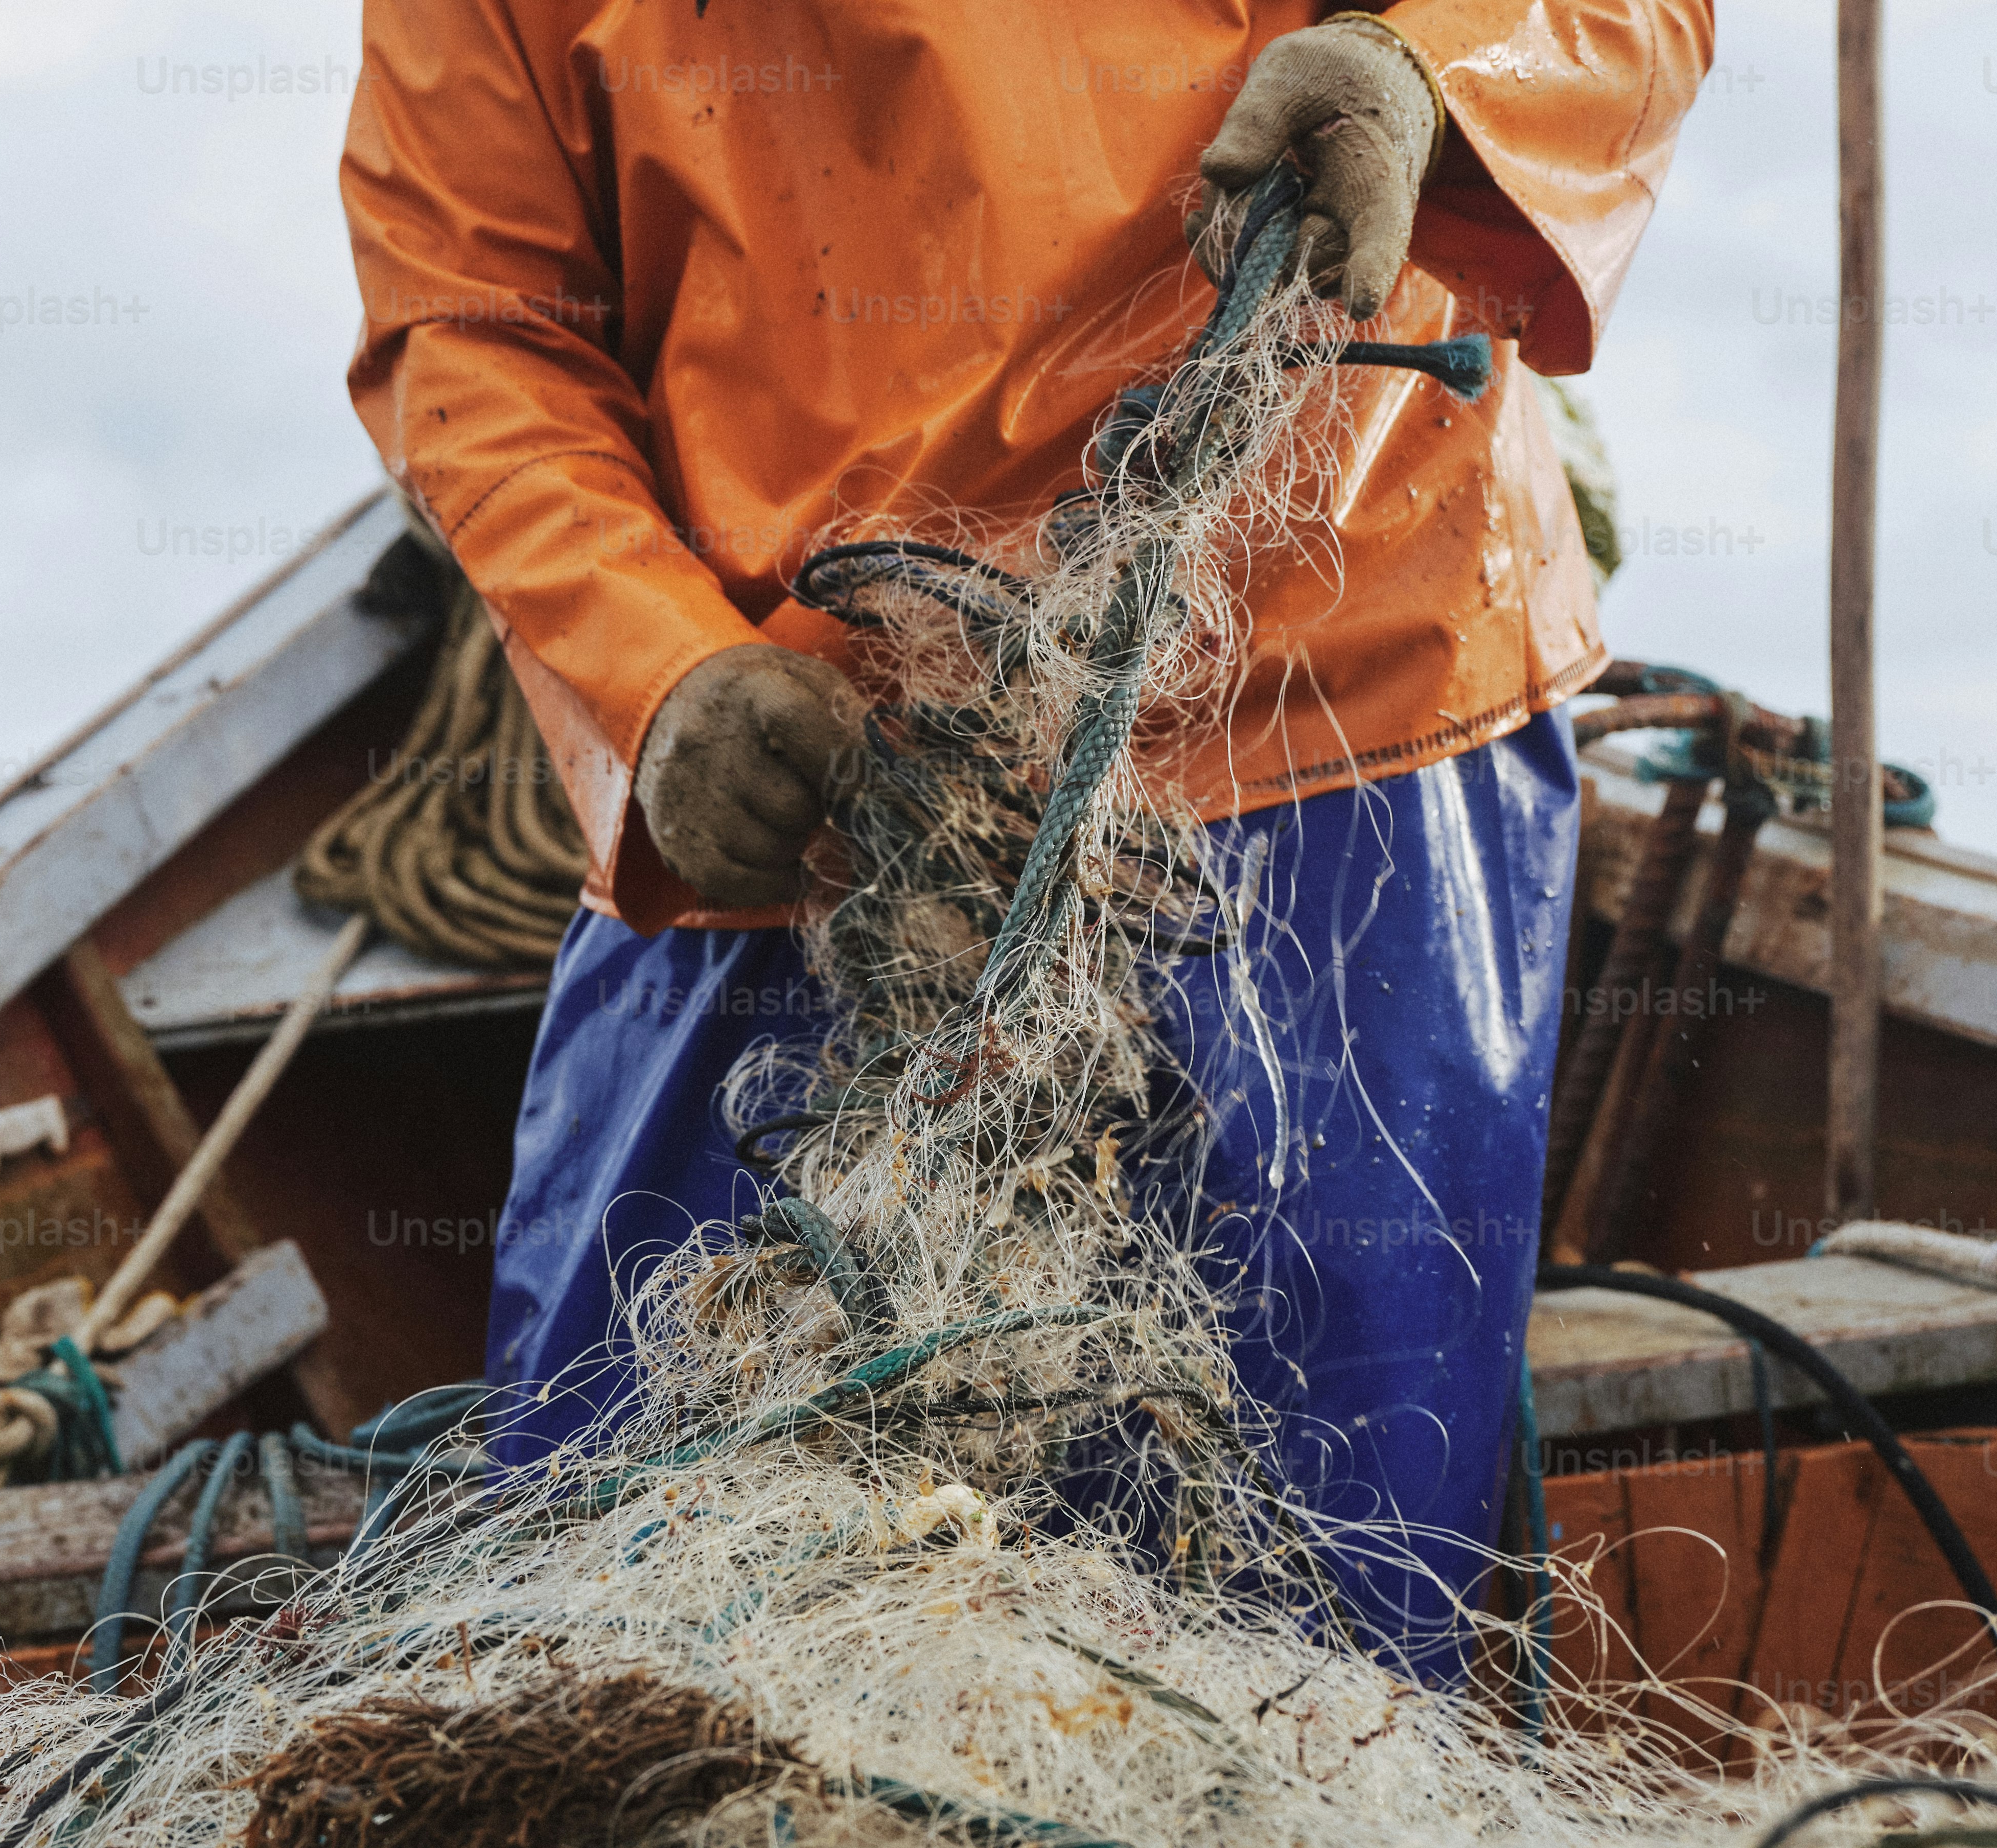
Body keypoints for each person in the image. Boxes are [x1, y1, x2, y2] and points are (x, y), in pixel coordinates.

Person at [342, 5, 1707, 1660]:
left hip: (1332, 725)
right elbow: (473, 322)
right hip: (804, 792)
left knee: (1303, 1620)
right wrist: (659, 672)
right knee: (632, 1639)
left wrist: (1431, 69)